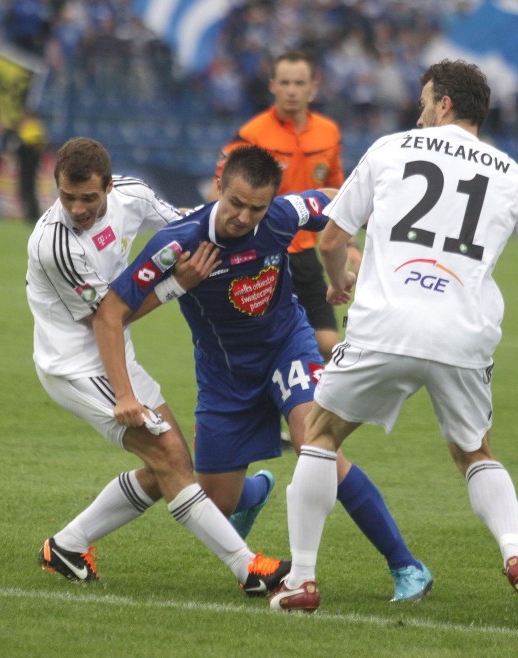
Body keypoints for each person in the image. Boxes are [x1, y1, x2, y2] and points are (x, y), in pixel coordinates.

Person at [269, 60, 518, 619]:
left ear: (444, 105)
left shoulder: (391, 149)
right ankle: (516, 555)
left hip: (385, 323)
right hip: (463, 335)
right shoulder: (515, 176)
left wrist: (339, 282)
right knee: (474, 451)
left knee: (320, 434)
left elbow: (334, 236)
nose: (418, 111)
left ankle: (303, 581)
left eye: (423, 100)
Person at [94, 145, 433, 603]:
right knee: (214, 503)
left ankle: (407, 566)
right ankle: (253, 494)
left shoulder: (283, 215)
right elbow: (112, 312)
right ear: (218, 188)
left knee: (319, 451)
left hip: (286, 348)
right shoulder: (178, 242)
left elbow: (341, 197)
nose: (243, 217)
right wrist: (175, 289)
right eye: (235, 203)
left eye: (256, 208)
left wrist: (361, 246)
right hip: (224, 373)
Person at [26, 137, 290, 595]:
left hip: (112, 352)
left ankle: (68, 545)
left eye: (89, 197)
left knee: (172, 461)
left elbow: (186, 226)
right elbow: (110, 316)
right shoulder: (55, 245)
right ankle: (248, 569)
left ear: (108, 186)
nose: (78, 208)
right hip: (75, 365)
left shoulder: (132, 194)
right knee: (169, 456)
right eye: (67, 197)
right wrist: (175, 286)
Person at [208, 49, 362, 362]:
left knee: (329, 345)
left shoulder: (328, 132)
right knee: (265, 348)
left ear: (313, 87)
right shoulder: (252, 134)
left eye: (299, 83)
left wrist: (351, 243)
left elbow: (339, 193)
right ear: (273, 86)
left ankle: (321, 409)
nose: (292, 90)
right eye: (285, 82)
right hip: (262, 253)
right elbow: (219, 190)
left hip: (305, 254)